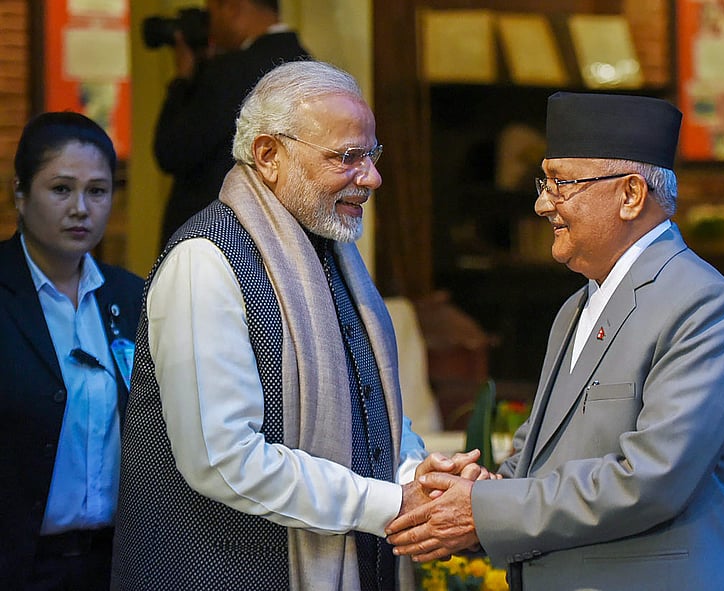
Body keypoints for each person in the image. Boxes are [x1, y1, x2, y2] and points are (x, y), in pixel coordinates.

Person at [111, 60, 487, 591]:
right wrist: (393, 501)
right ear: (268, 155)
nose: (372, 177)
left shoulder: (331, 252)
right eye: (347, 157)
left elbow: (372, 412)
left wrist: (419, 476)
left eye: (372, 155)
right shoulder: (205, 260)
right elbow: (223, 461)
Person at [387, 92, 724, 591]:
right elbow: (539, 459)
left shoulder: (703, 305)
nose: (542, 204)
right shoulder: (577, 306)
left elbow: (650, 479)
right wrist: (479, 487)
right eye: (546, 183)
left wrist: (483, 510)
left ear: (630, 194)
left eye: (562, 183)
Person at [0, 111, 143, 589]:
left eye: (97, 191)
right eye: (61, 189)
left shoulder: (132, 297)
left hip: (113, 565)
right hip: (19, 564)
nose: (81, 208)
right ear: (20, 193)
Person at [154, 0, 310, 245]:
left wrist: (183, 79)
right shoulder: (306, 64)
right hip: (284, 234)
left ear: (233, 7)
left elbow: (172, 150)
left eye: (211, 13)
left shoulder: (229, 70)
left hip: (215, 232)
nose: (210, 26)